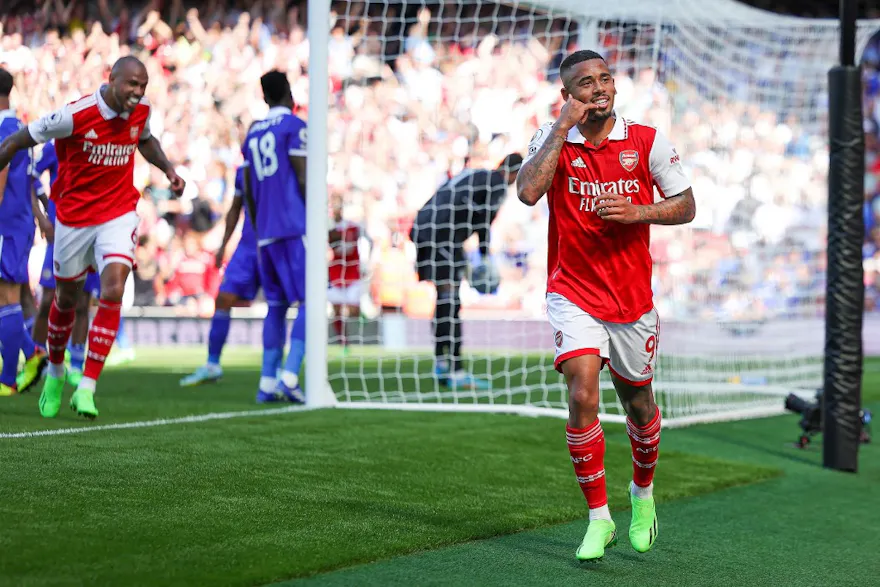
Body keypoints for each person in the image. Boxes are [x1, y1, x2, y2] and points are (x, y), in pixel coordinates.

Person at [517, 50, 695, 562]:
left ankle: (642, 493)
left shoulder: (646, 140)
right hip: (571, 290)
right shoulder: (554, 138)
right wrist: (560, 126)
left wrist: (637, 211)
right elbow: (529, 191)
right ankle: (599, 517)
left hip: (631, 299)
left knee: (638, 403)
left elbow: (686, 205)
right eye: (585, 83)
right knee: (582, 394)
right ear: (567, 94)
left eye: (605, 80)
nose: (599, 89)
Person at [0, 56, 185, 419]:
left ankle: (87, 387)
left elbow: (145, 139)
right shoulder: (75, 115)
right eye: (131, 84)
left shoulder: (141, 111)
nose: (137, 92)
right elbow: (20, 140)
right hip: (74, 219)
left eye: (143, 86)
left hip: (117, 214)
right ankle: (54, 372)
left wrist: (168, 169)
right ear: (112, 79)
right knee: (65, 301)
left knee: (112, 289)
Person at [409, 154, 523, 390]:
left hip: (424, 229)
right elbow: (484, 222)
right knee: (451, 302)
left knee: (444, 300)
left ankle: (442, 363)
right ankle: (456, 370)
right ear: (514, 172)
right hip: (442, 237)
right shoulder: (497, 183)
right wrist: (484, 257)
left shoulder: (475, 174)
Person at [242, 70, 308, 404]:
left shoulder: (252, 134)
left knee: (277, 306)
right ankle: (290, 375)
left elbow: (249, 190)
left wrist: (257, 228)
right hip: (294, 228)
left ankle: (266, 384)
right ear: (288, 94)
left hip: (264, 232)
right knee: (311, 301)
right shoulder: (295, 127)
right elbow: (302, 176)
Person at [29, 138, 102, 388]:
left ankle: (77, 365)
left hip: (92, 230)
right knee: (49, 300)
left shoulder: (100, 143)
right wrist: (42, 217)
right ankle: (37, 360)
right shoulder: (56, 144)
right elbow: (31, 177)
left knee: (83, 302)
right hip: (61, 231)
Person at [180, 166, 261, 387]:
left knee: (279, 302)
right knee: (223, 298)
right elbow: (235, 208)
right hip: (247, 246)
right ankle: (212, 364)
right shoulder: (243, 170)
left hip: (277, 240)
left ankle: (279, 373)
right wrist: (223, 245)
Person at [0, 67, 48, 397]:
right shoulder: (21, 128)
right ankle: (31, 352)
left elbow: (0, 182)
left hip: (6, 223)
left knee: (8, 298)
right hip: (18, 223)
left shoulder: (4, 128)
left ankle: (8, 378)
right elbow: (29, 182)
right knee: (6, 298)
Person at [328, 197, 370, 352]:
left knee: (353, 311)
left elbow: (361, 244)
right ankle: (344, 343)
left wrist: (366, 262)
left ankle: (360, 314)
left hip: (352, 273)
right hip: (335, 273)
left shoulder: (353, 227)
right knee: (337, 310)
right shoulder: (328, 228)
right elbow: (336, 249)